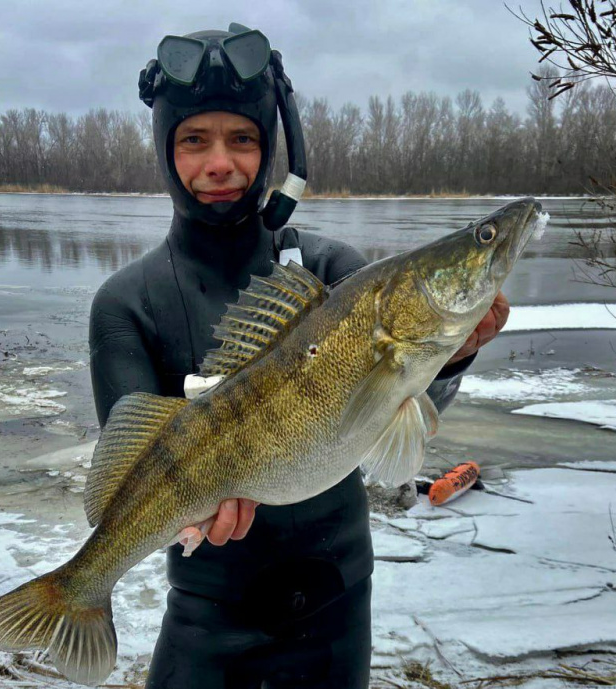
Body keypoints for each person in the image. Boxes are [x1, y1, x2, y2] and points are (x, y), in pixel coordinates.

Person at [88, 24, 509, 689]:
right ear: (166, 151)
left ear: (275, 148)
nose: (220, 163)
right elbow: (134, 473)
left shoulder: (331, 272)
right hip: (207, 624)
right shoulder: (126, 304)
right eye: (194, 139)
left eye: (244, 138)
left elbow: (394, 419)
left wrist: (453, 357)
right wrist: (191, 516)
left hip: (338, 610)